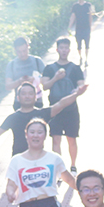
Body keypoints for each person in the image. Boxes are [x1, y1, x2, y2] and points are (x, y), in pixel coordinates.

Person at [0, 81, 87, 156]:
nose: (27, 96)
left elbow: (61, 104)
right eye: (24, 94)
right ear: (18, 98)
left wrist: (76, 94)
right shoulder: (13, 117)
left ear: (35, 97)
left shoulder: (42, 113)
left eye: (30, 94)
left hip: (38, 158)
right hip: (19, 160)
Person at [41, 37, 86, 174]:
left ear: (69, 49)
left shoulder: (75, 68)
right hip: (54, 109)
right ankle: (59, 168)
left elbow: (81, 84)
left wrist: (77, 90)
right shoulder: (49, 68)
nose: (64, 50)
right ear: (57, 49)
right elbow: (45, 86)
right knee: (56, 138)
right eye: (61, 48)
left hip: (71, 109)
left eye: (66, 48)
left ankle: (73, 165)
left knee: (72, 138)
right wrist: (56, 78)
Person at [4, 36, 46, 110]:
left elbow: (46, 81)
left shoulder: (37, 61)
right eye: (19, 52)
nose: (22, 54)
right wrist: (19, 81)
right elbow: (8, 86)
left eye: (24, 51)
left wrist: (35, 79)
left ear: (28, 47)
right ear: (15, 50)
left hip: (36, 101)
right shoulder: (12, 65)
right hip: (19, 103)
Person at [67, 0, 94, 66]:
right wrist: (69, 26)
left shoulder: (88, 5)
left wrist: (90, 26)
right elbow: (73, 16)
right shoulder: (75, 6)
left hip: (86, 27)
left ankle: (86, 59)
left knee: (87, 44)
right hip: (78, 28)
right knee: (78, 44)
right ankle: (80, 57)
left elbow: (90, 16)